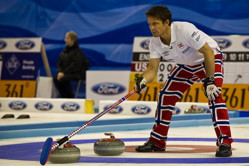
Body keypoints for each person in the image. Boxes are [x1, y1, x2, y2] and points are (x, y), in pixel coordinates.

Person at [134, 5, 233, 157]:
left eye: (155, 24)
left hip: (208, 59)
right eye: (149, 24)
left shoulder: (184, 29)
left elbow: (208, 52)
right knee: (165, 95)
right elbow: (152, 69)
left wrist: (210, 81)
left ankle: (225, 142)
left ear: (167, 22)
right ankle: (157, 141)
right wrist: (142, 80)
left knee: (214, 94)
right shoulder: (154, 43)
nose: (152, 28)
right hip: (186, 65)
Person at [53, 31, 86, 98]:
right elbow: (59, 63)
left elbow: (75, 66)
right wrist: (59, 72)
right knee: (55, 79)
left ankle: (70, 96)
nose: (65, 40)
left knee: (64, 78)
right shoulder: (64, 51)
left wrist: (64, 72)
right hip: (65, 73)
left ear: (73, 40)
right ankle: (65, 96)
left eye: (67, 38)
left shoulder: (78, 52)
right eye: (65, 38)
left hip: (77, 74)